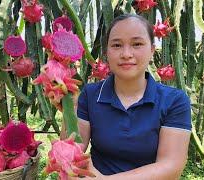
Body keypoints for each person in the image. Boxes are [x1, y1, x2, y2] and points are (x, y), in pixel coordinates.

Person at [62, 13, 192, 179]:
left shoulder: (175, 100)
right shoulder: (90, 94)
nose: (126, 54)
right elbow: (71, 150)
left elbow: (171, 166)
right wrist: (69, 108)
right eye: (116, 45)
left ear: (152, 50)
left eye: (137, 44)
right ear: (106, 51)